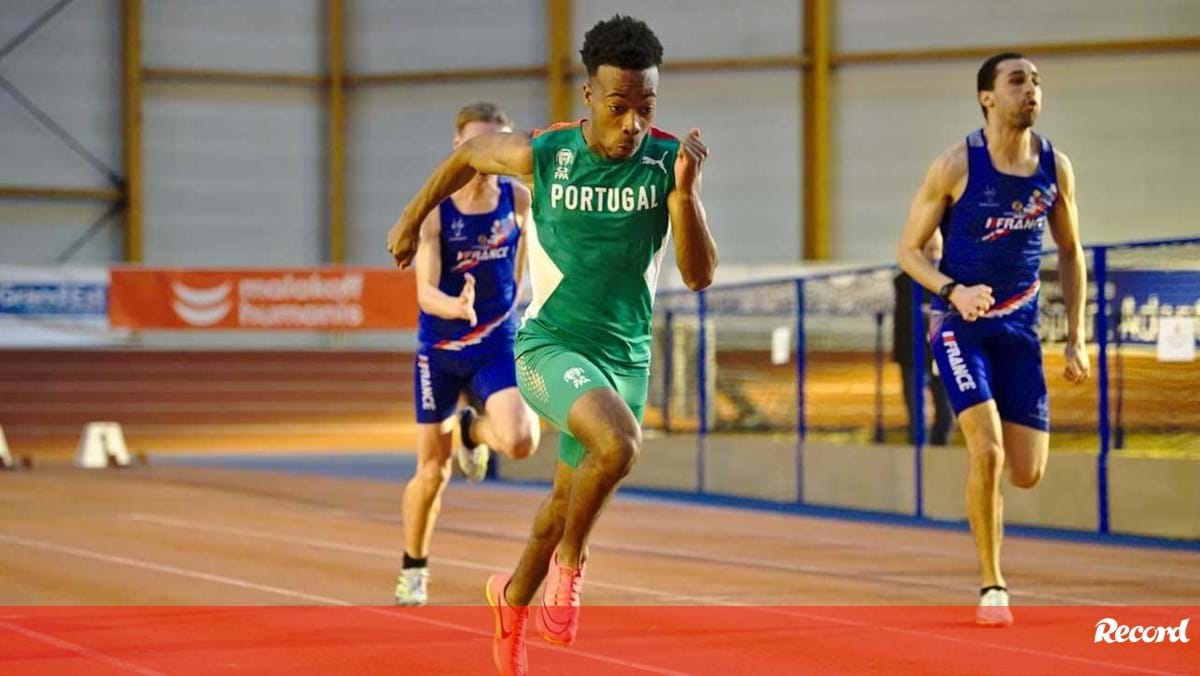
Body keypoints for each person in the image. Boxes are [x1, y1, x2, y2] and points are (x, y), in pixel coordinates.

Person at [389, 15, 717, 674]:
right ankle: (573, 563)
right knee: (619, 445)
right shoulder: (546, 152)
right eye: (619, 107)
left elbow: (698, 274)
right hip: (549, 346)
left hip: (624, 355)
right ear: (590, 95)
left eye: (645, 109)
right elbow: (466, 157)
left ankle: (509, 602)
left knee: (563, 504)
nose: (632, 124)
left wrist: (685, 197)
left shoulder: (664, 163)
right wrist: (410, 218)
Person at [897, 53, 1089, 627]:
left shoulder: (1055, 167)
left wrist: (1077, 337)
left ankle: (989, 491)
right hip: (960, 327)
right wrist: (952, 290)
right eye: (1017, 81)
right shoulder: (956, 164)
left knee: (1026, 472)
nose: (1031, 90)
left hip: (1019, 330)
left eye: (1036, 82)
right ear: (988, 97)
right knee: (989, 450)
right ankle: (993, 584)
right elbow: (908, 251)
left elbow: (1072, 253)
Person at [393, 102, 540, 607]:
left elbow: (526, 260)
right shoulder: (437, 211)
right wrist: (453, 305)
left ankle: (472, 429)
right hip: (440, 350)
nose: (488, 157)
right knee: (432, 472)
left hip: (496, 341)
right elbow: (423, 291)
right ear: (458, 150)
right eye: (478, 147)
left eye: (497, 147)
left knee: (521, 441)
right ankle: (414, 566)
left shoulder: (519, 200)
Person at [893, 235, 953, 446]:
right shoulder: (905, 282)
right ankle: (919, 460)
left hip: (941, 356)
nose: (934, 256)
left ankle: (938, 457)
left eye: (938, 250)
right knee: (918, 418)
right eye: (930, 250)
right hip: (913, 357)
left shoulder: (951, 282)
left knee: (946, 413)